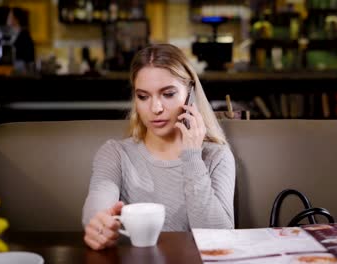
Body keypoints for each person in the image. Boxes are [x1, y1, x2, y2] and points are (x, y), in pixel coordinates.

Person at [82, 44, 236, 250]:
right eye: (143, 97)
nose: (155, 108)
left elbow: (219, 238)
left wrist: (191, 157)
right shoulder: (115, 154)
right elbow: (97, 206)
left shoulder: (217, 156)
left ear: (190, 93)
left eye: (168, 94)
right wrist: (97, 224)